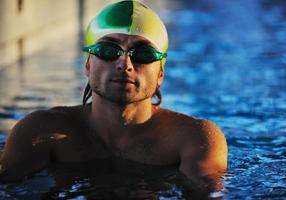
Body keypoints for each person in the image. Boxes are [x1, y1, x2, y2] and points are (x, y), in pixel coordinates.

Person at [0, 0, 227, 187]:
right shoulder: (39, 132)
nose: (124, 64)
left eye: (144, 53)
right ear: (88, 65)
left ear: (160, 73)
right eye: (108, 50)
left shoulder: (192, 139)